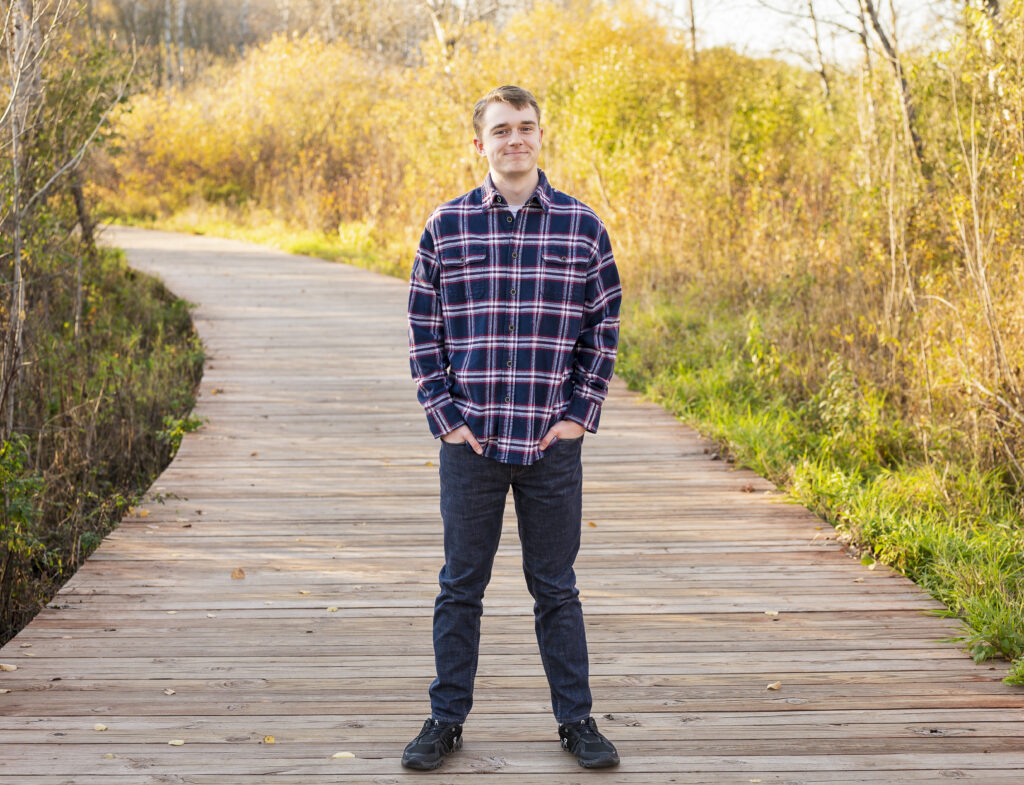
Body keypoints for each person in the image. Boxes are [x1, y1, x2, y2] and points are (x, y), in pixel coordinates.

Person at [404, 84, 622, 771]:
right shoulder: (447, 226)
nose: (515, 139)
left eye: (525, 127)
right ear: (481, 144)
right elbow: (423, 331)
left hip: (549, 443)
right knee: (460, 585)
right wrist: (445, 419)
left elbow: (604, 328)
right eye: (501, 130)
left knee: (555, 586)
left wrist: (579, 416)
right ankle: (445, 720)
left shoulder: (582, 227)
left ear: (540, 135)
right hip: (470, 441)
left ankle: (576, 720)